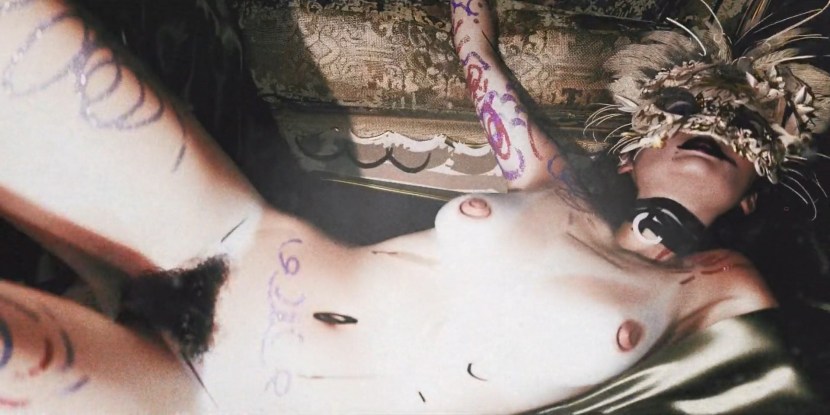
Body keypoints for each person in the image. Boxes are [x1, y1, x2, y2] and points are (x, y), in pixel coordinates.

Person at [0, 0, 825, 413]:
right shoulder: (555, 190)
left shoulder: (716, 295)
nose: (708, 127)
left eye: (746, 132)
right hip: (227, 235)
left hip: (229, 402)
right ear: (627, 151)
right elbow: (479, 56)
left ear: (755, 192)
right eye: (678, 114)